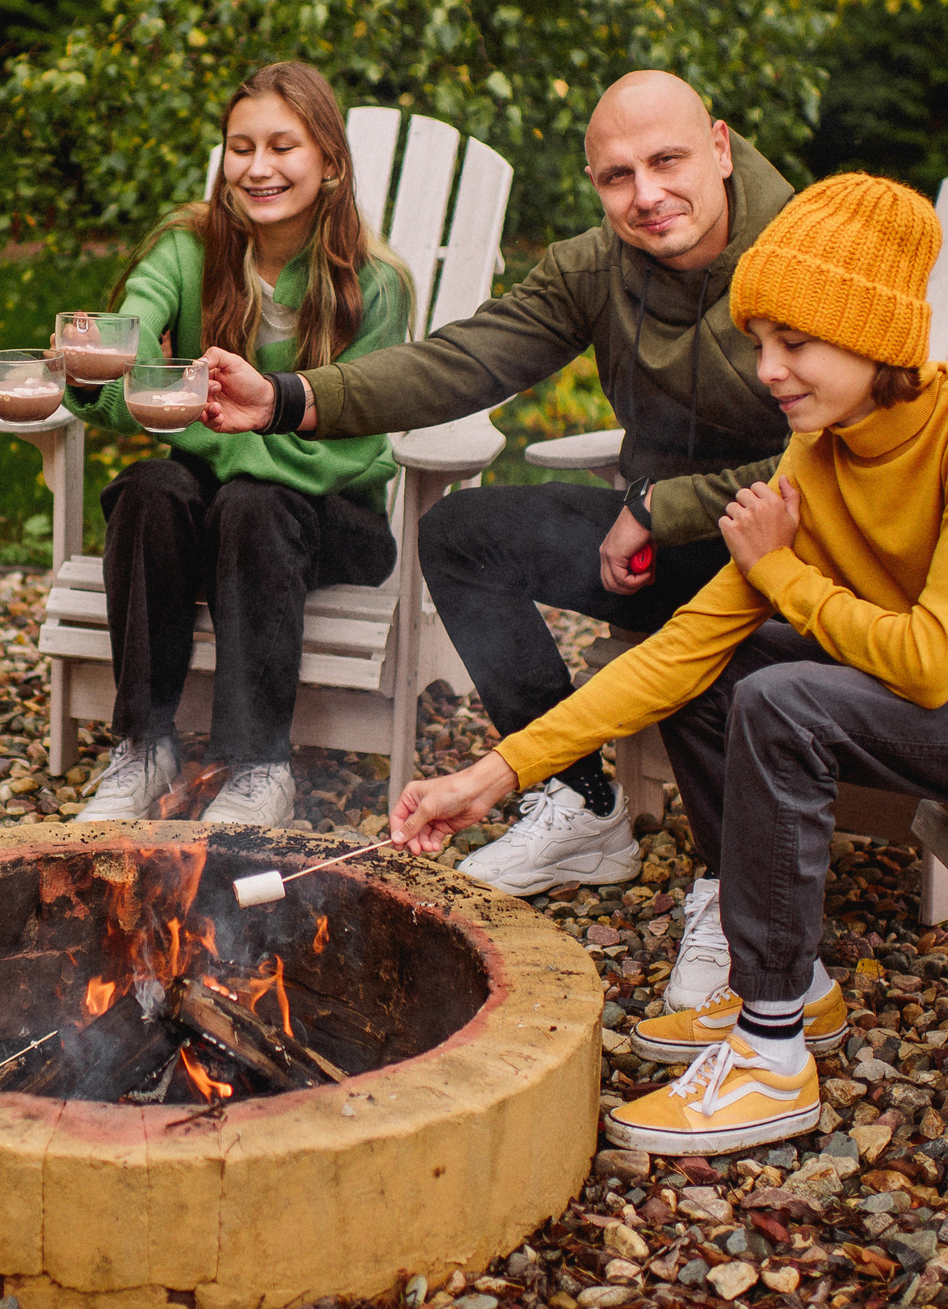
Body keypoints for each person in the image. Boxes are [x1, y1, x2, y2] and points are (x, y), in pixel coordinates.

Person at [387, 172, 948, 1155]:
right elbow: (685, 647)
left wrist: (783, 574)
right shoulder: (820, 454)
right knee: (716, 659)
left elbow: (933, 662)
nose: (767, 369)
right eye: (759, 340)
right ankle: (793, 987)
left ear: (875, 336)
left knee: (785, 694)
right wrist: (490, 774)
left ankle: (768, 1056)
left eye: (793, 342)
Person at [203, 71, 797, 1001]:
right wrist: (290, 395)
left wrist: (658, 508)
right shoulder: (597, 267)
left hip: (798, 547)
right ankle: (582, 803)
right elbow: (461, 362)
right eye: (616, 175)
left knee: (697, 618)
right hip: (668, 529)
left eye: (668, 161)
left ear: (720, 148)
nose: (645, 195)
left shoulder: (806, 254)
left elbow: (844, 452)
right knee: (464, 533)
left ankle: (734, 894)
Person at [70, 61, 414, 827]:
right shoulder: (190, 249)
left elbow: (353, 452)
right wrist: (103, 361)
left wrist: (224, 435)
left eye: (283, 146)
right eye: (240, 146)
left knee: (253, 504)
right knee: (149, 492)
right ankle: (146, 743)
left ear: (329, 161)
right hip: (212, 509)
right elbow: (137, 335)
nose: (258, 167)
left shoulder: (376, 283)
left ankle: (260, 765)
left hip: (334, 519)